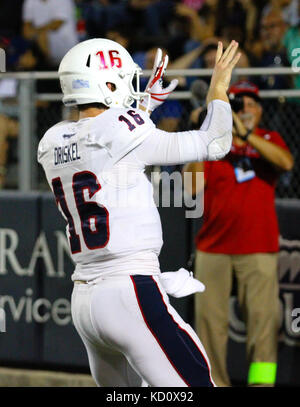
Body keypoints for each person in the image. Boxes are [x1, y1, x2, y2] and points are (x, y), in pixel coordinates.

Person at [37, 37, 241, 387]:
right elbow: (216, 141)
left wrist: (142, 108)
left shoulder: (52, 140)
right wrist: (218, 89)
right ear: (110, 83)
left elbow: (102, 145)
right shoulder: (120, 129)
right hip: (129, 289)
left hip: (85, 299)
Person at [183, 80, 294, 387]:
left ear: (259, 110)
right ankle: (215, 384)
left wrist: (247, 136)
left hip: (258, 248)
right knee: (209, 328)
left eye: (250, 104)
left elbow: (286, 163)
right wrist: (202, 135)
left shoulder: (270, 138)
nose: (244, 109)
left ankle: (261, 385)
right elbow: (191, 188)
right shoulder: (213, 142)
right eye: (238, 104)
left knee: (263, 324)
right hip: (213, 249)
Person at [22, 0, 79, 67]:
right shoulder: (30, 1)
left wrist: (34, 32)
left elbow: (56, 25)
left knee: (42, 36)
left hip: (66, 47)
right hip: (39, 45)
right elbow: (26, 30)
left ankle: (48, 66)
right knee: (25, 58)